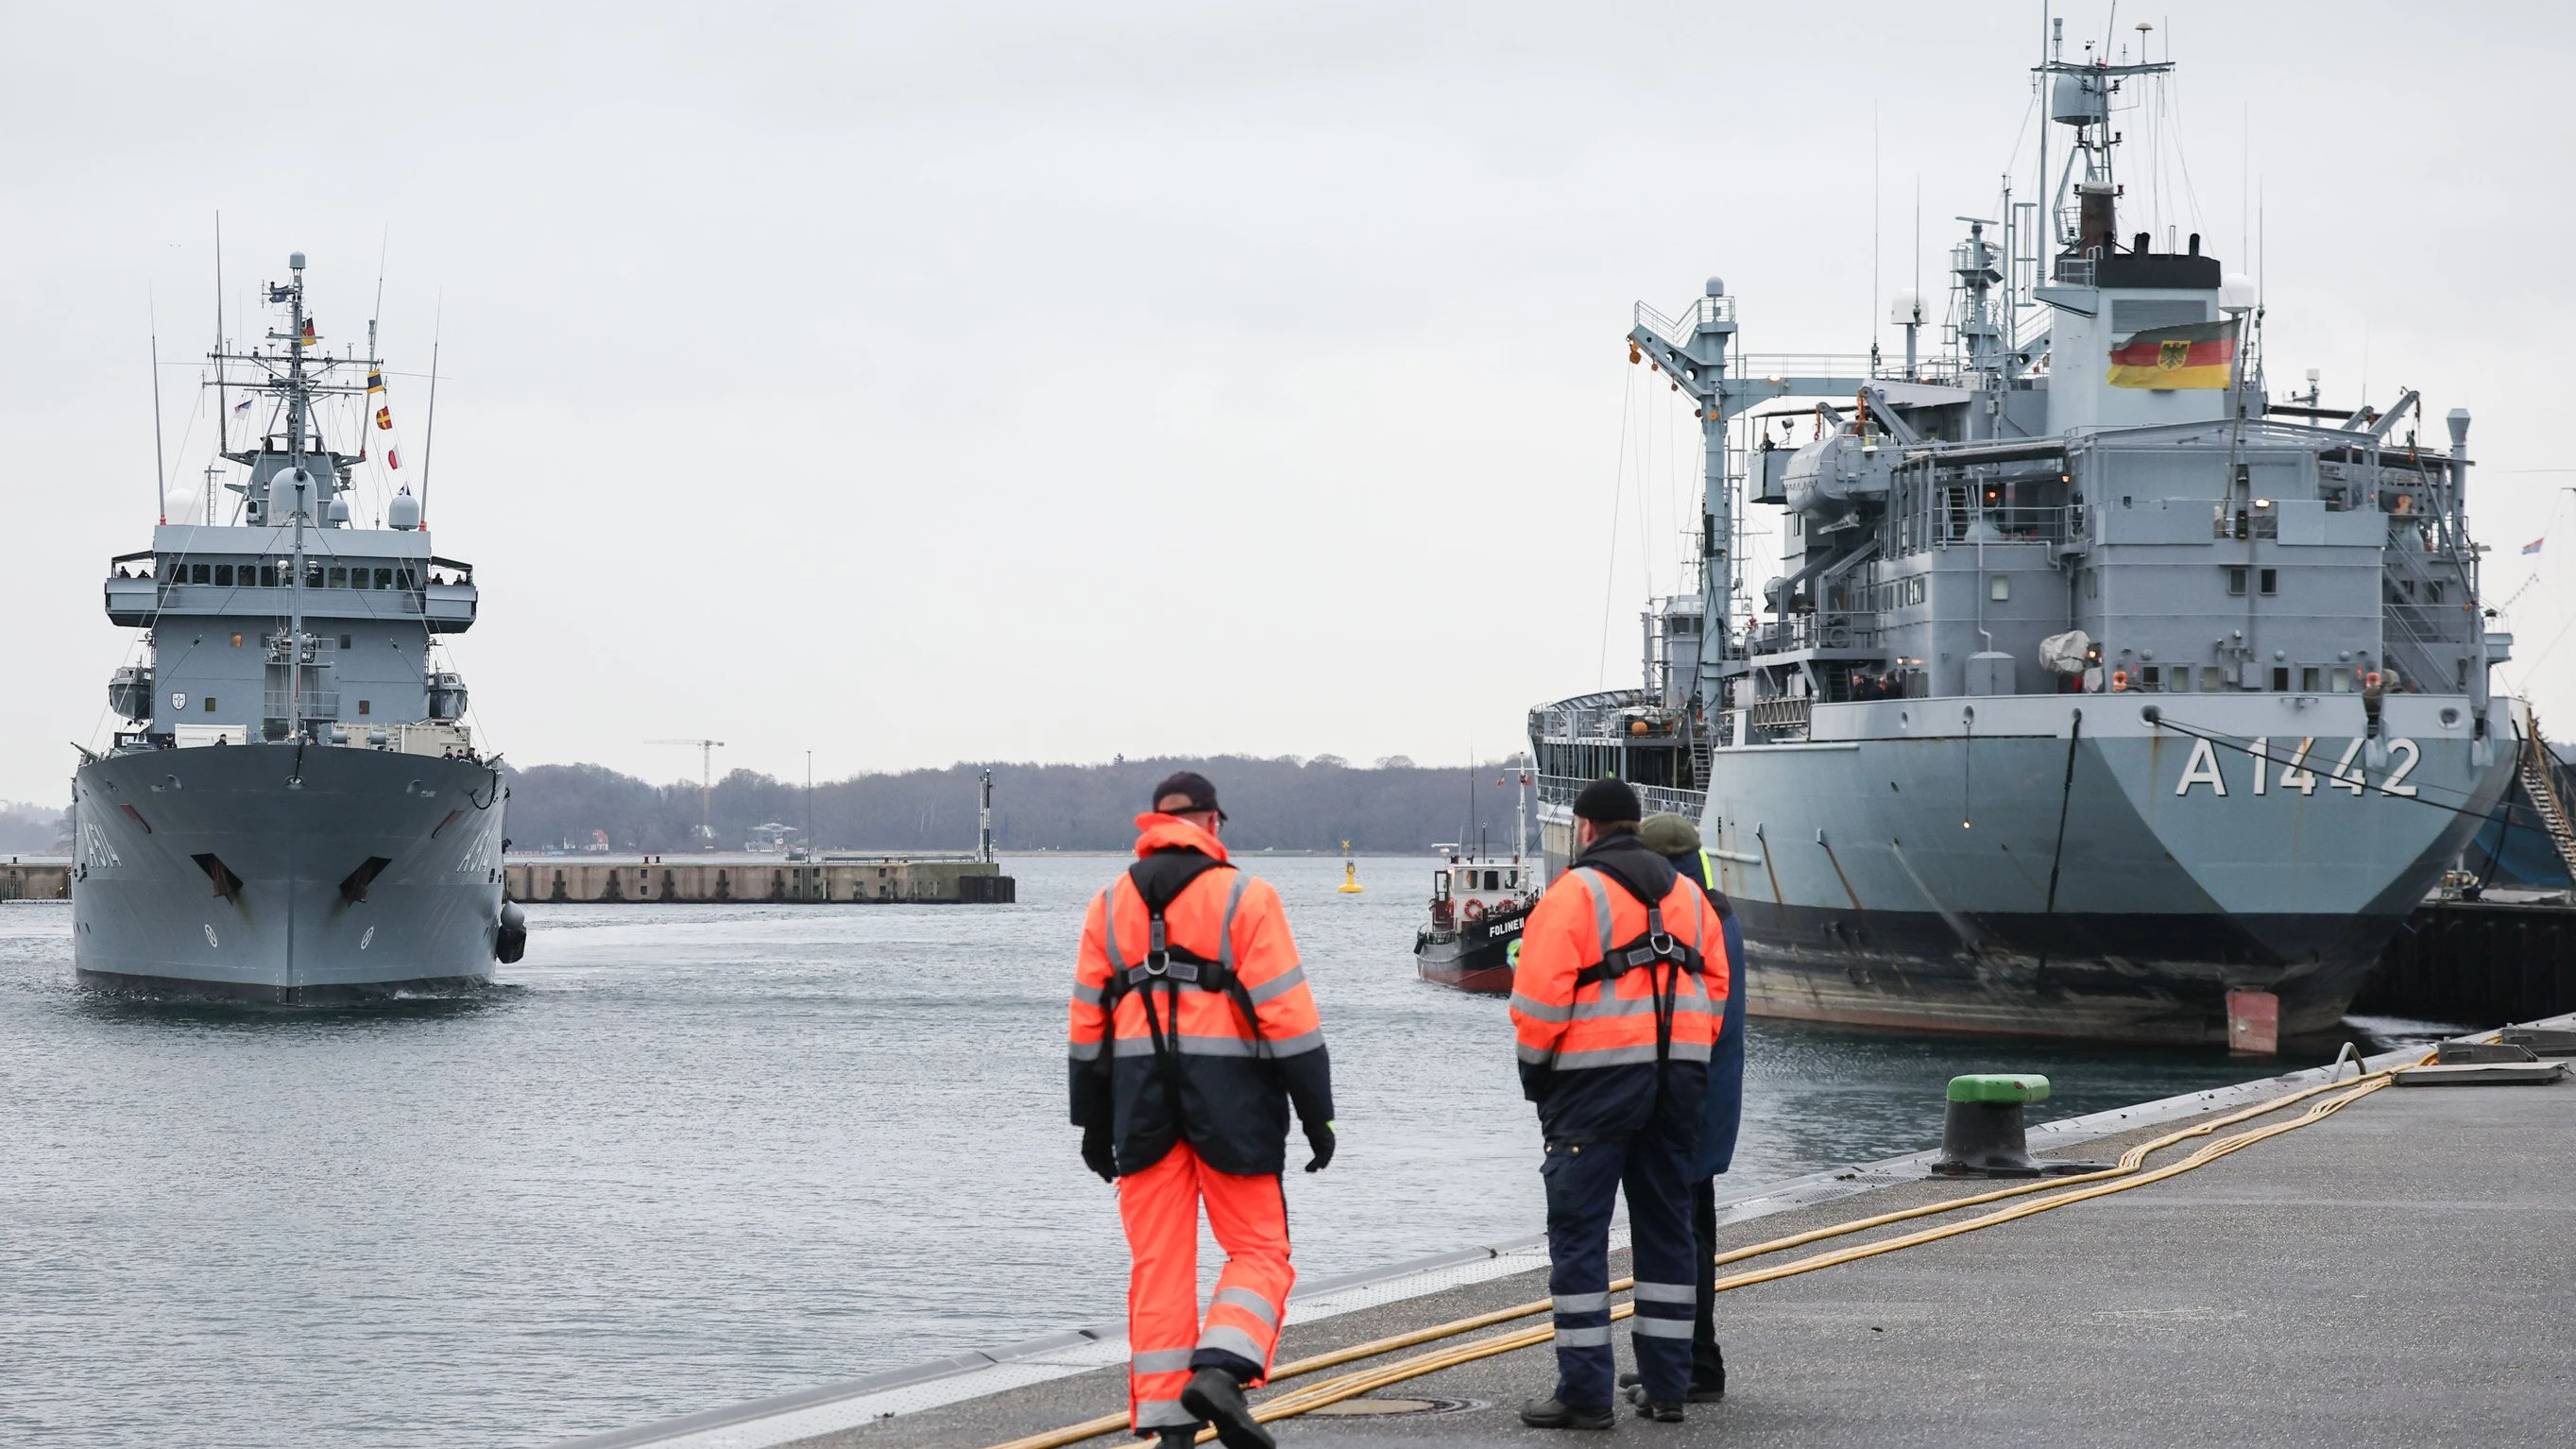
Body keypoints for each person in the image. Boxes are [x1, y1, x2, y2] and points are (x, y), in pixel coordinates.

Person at [1068, 771, 1337, 1449]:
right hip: (1235, 1104)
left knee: (1158, 1265)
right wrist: (1317, 1113)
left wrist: (1092, 1125)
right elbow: (1288, 1017)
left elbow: (1086, 1026)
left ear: (1151, 824)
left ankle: (1170, 1428)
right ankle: (1221, 1370)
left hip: (1137, 1109)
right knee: (1258, 1250)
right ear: (1213, 823)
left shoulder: (1107, 904)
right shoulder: (1247, 896)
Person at [1510, 779, 1729, 1429]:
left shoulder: (1571, 895)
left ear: (1584, 829)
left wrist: (1537, 1078)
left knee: (1579, 1236)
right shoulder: (1689, 896)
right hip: (1677, 1087)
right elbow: (1714, 989)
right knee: (1666, 1231)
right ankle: (1666, 1388)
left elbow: (1539, 1003)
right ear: (1634, 825)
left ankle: (1583, 1394)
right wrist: (1686, 1054)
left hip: (1591, 1088)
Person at [1622, 812, 1747, 1411]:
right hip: (1711, 1098)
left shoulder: (1685, 919)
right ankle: (1678, 1358)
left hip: (1688, 1100)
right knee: (1693, 1229)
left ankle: (1694, 1365)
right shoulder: (1716, 910)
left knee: (1680, 1235)